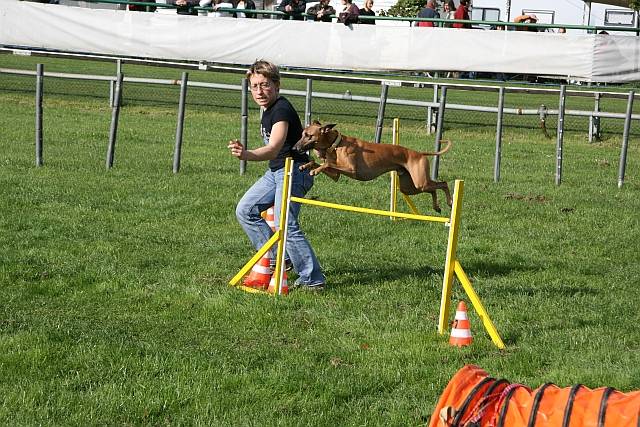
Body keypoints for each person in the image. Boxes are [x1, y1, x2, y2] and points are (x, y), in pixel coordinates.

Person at [228, 60, 326, 291]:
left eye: (265, 85)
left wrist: (246, 154)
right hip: (276, 171)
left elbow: (273, 148)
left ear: (277, 85)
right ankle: (278, 257)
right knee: (245, 210)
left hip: (295, 171)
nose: (259, 91)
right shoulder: (267, 109)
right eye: (254, 86)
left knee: (285, 224)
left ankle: (313, 279)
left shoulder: (281, 110)